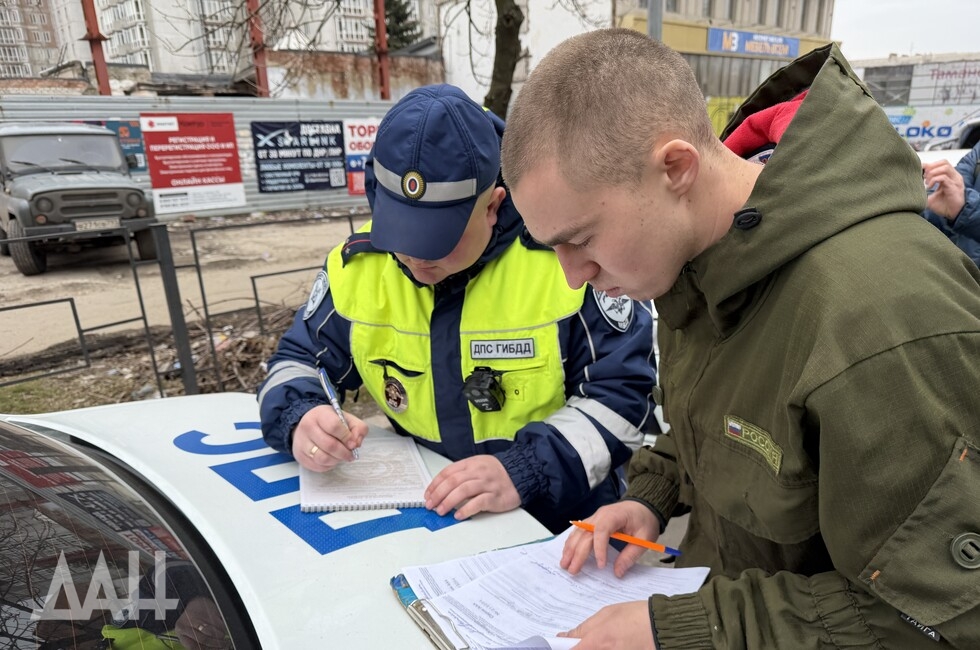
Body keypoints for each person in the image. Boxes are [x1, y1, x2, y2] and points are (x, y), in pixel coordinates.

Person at [501, 28, 980, 649]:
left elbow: (941, 614)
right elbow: (729, 421)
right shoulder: (697, 265)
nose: (572, 275)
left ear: (676, 168)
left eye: (583, 238)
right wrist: (652, 495)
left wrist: (689, 629)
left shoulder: (884, 317)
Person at [257, 83, 657, 533]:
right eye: (401, 234)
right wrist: (301, 417)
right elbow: (294, 363)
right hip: (434, 525)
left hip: (564, 529)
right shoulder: (357, 268)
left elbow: (624, 399)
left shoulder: (565, 258)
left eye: (440, 240)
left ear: (494, 205)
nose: (416, 257)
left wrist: (526, 469)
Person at [922, 141, 980, 265]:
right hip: (965, 276)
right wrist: (917, 206)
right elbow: (953, 190)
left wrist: (965, 209)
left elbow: (961, 204)